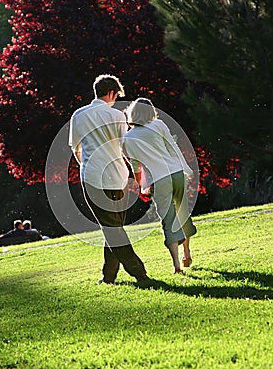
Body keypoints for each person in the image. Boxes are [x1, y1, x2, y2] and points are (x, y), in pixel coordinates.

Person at [69, 74, 149, 284]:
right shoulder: (117, 116)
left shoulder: (79, 115)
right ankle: (110, 277)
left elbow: (75, 147)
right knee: (114, 229)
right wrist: (136, 172)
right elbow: (126, 147)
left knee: (112, 230)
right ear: (112, 93)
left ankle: (138, 274)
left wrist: (85, 166)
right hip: (118, 176)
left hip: (93, 178)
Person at [124, 98, 197, 274]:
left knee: (168, 220)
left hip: (159, 180)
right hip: (176, 174)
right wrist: (186, 169)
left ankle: (177, 266)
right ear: (151, 112)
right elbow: (173, 148)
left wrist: (143, 185)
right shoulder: (158, 125)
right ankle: (187, 254)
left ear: (132, 113)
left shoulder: (128, 138)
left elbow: (136, 166)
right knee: (182, 213)